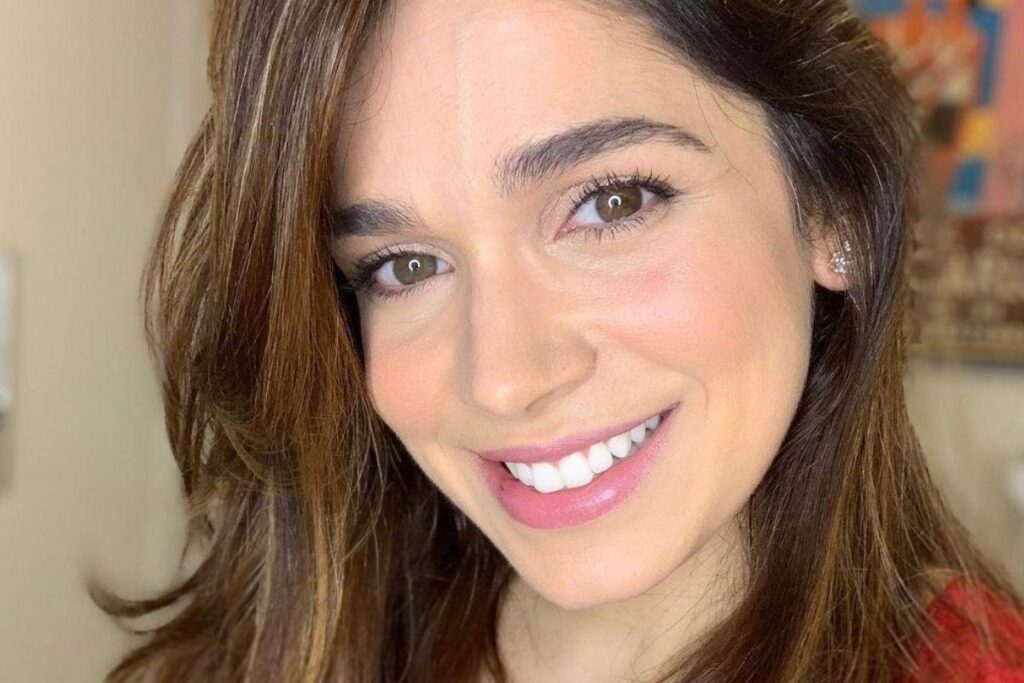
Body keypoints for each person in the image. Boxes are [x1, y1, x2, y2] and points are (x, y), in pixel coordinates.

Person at [95, 0, 1024, 681]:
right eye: (404, 265)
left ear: (835, 206)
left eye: (610, 203)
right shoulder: (286, 647)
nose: (503, 379)